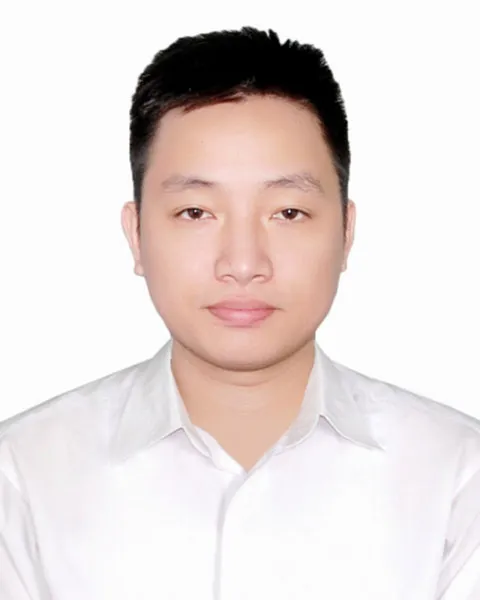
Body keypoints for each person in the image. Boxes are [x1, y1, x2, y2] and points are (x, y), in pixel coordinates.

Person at [1, 26, 479, 600]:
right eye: (196, 212)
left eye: (288, 212)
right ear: (136, 234)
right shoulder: (23, 475)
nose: (244, 263)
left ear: (347, 233)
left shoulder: (458, 476)